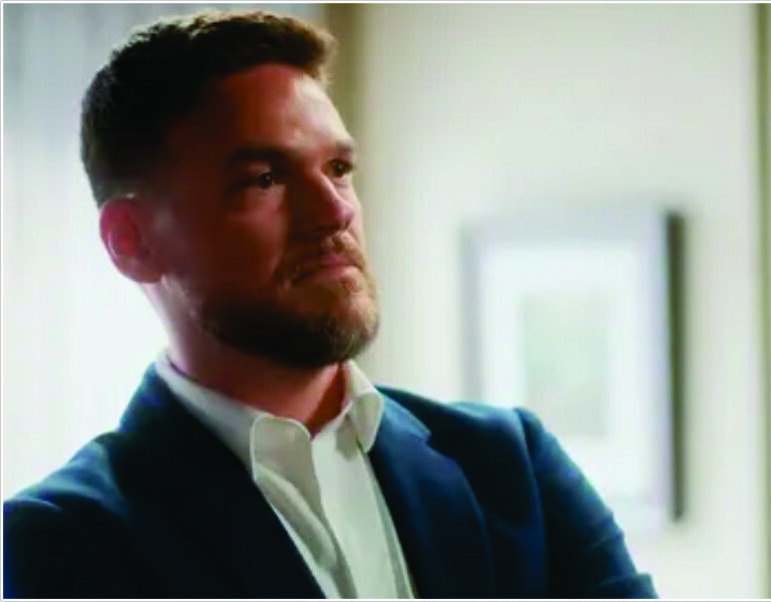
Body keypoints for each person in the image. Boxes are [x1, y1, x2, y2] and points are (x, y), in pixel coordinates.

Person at [2, 10, 655, 599]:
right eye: (264, 179)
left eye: (339, 169)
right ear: (132, 241)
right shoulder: (64, 539)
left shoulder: (511, 469)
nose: (335, 210)